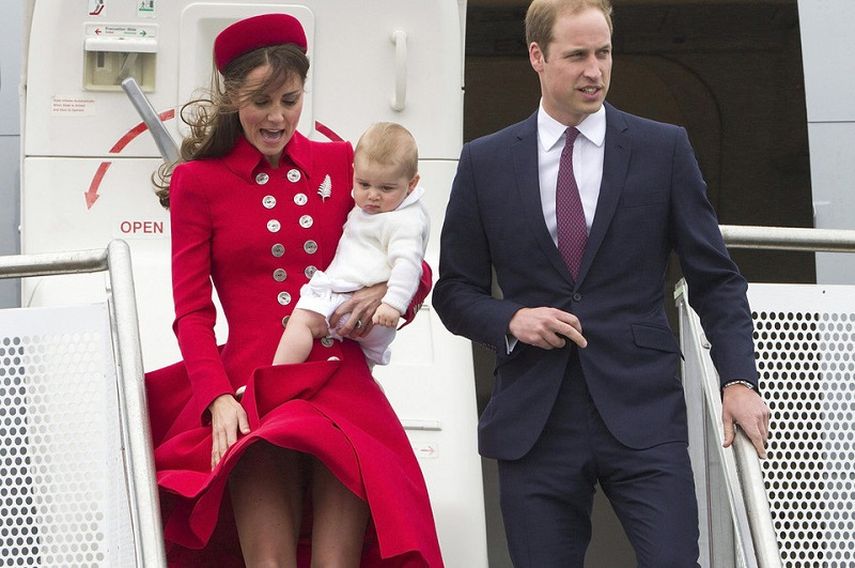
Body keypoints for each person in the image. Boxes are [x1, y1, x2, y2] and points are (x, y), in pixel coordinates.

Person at [432, 1, 771, 566]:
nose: (595, 70)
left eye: (604, 52)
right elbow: (453, 291)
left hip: (644, 414)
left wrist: (738, 378)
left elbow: (716, 279)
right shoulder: (484, 162)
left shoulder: (664, 149)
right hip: (534, 424)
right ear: (537, 56)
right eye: (578, 55)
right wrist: (511, 319)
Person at [143, 13, 443, 567]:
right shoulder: (199, 181)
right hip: (253, 384)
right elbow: (191, 312)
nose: (277, 116)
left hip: (339, 379)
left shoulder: (340, 162)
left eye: (290, 98)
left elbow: (408, 247)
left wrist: (388, 288)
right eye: (261, 100)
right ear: (233, 97)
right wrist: (213, 398)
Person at [273, 122, 429, 368]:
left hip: (356, 302)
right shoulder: (381, 206)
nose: (373, 195)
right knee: (363, 372)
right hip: (374, 321)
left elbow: (409, 263)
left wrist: (393, 303)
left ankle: (275, 377)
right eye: (364, 184)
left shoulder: (404, 220)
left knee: (302, 320)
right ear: (354, 172)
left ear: (411, 184)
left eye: (386, 188)